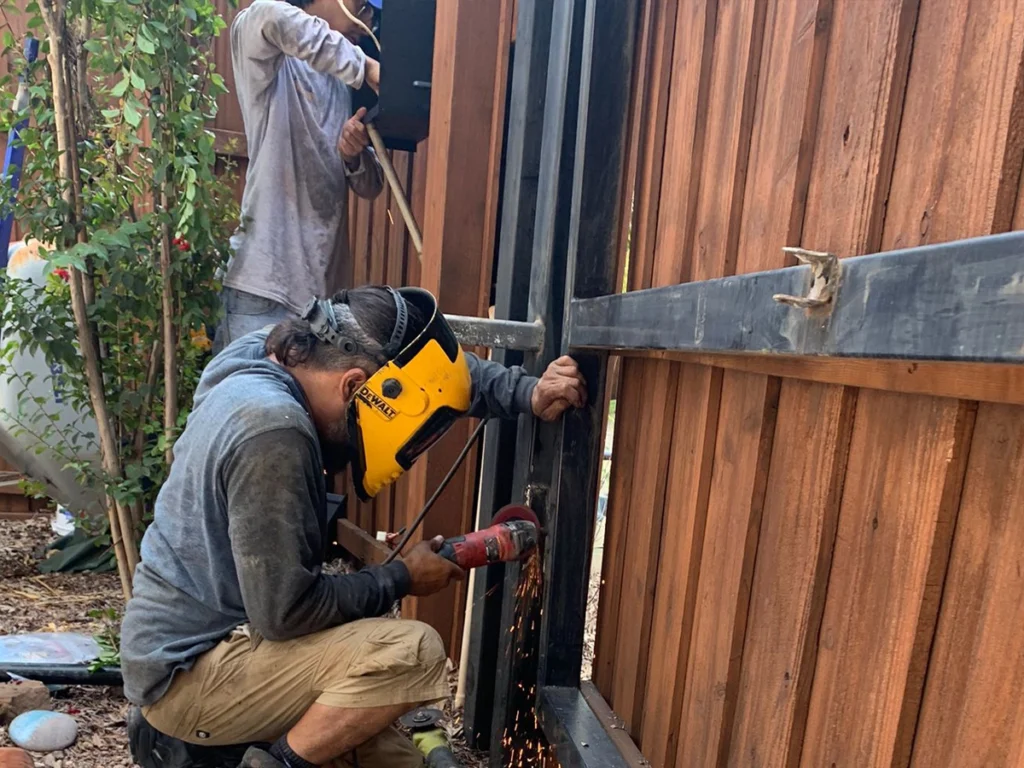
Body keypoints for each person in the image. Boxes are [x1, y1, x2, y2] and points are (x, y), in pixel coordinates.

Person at [121, 285, 588, 768]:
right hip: (191, 678)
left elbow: (432, 372)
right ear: (353, 386)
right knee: (409, 651)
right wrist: (403, 577)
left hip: (203, 649)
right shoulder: (273, 433)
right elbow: (286, 615)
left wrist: (524, 391)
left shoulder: (272, 351)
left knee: (395, 759)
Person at [214, 0, 383, 354]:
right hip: (262, 288)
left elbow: (372, 186)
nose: (366, 21)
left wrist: (352, 156)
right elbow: (270, 16)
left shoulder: (340, 83)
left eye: (372, 13)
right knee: (247, 407)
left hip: (320, 304)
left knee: (297, 412)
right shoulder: (265, 49)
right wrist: (365, 66)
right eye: (362, 6)